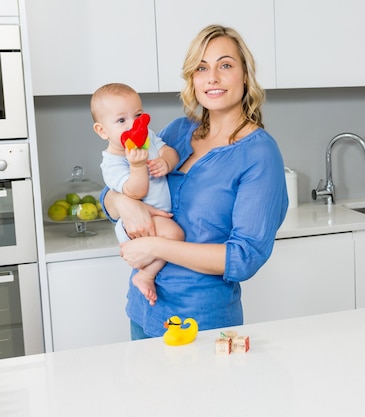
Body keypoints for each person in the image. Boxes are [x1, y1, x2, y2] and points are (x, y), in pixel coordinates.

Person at [101, 25, 288, 339]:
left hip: (201, 324)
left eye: (225, 65)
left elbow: (243, 259)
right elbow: (112, 188)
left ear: (245, 75)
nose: (212, 77)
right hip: (143, 313)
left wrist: (156, 245)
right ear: (192, 78)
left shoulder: (259, 153)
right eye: (202, 68)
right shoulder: (177, 131)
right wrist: (123, 204)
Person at [91, 83, 184, 306]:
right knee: (176, 236)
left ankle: (147, 267)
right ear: (102, 130)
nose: (133, 125)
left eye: (138, 115)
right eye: (121, 120)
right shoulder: (111, 163)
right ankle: (147, 275)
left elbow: (169, 151)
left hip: (157, 216)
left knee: (172, 236)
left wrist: (166, 162)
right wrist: (137, 165)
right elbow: (136, 191)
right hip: (138, 224)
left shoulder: (148, 137)